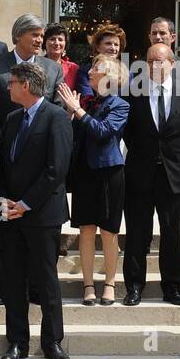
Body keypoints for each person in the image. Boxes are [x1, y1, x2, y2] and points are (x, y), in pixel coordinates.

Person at [0, 62, 74, 359]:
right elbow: (2, 165)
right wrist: (4, 204)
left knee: (45, 280)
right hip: (8, 213)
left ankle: (52, 342)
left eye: (11, 82)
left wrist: (26, 204)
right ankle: (16, 342)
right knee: (12, 279)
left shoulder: (56, 118)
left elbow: (56, 169)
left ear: (25, 85)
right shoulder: (12, 118)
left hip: (42, 214)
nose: (8, 87)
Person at [121, 43, 180, 307]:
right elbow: (128, 132)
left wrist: (172, 157)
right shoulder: (132, 92)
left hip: (173, 174)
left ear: (173, 64)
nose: (156, 66)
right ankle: (133, 286)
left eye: (161, 61)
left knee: (171, 232)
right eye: (151, 61)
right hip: (139, 173)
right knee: (136, 233)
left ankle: (173, 287)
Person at [58, 54, 129, 305]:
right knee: (86, 231)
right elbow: (72, 136)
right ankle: (88, 285)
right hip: (84, 173)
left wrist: (77, 111)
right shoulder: (85, 102)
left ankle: (109, 284)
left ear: (109, 76)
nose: (89, 73)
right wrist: (70, 113)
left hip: (109, 173)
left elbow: (102, 132)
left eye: (95, 69)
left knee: (108, 233)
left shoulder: (121, 105)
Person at [0, 13, 63, 128]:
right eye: (35, 35)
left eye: (42, 36)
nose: (40, 40)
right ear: (18, 35)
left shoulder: (53, 69)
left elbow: (57, 110)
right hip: (3, 140)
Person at [76, 23, 126, 99]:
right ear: (97, 47)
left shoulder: (127, 74)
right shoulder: (85, 72)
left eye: (116, 45)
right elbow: (88, 100)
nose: (113, 48)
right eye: (108, 43)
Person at [44, 22, 80, 92]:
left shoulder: (73, 68)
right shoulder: (37, 65)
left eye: (60, 39)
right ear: (44, 42)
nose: (57, 43)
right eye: (52, 39)